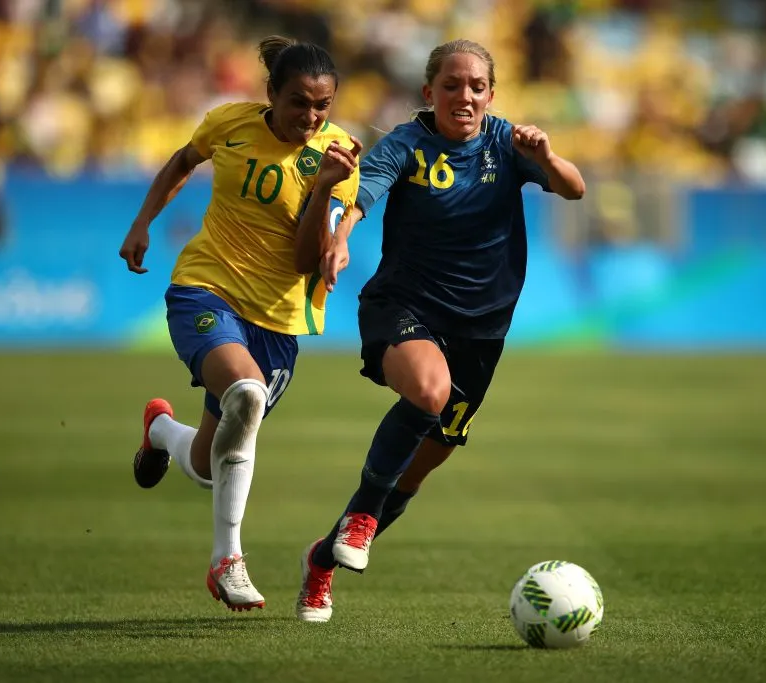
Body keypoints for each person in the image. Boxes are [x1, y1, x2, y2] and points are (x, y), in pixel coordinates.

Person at [294, 39, 585, 623]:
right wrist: (342, 237)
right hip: (406, 306)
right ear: (429, 93)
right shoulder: (406, 144)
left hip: (482, 332)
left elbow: (574, 188)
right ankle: (361, 518)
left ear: (492, 95)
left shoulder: (507, 142)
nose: (465, 95)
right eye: (452, 85)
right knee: (428, 392)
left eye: (477, 86)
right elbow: (361, 197)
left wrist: (547, 156)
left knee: (418, 469)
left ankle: (324, 559)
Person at [119, 36, 361, 612]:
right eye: (299, 102)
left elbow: (306, 260)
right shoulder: (229, 123)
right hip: (205, 287)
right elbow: (183, 161)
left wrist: (326, 185)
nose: (310, 116)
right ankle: (227, 560)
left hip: (275, 322)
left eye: (322, 105)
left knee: (207, 464)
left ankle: (159, 432)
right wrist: (142, 222)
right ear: (270, 93)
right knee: (247, 396)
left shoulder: (337, 159)